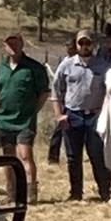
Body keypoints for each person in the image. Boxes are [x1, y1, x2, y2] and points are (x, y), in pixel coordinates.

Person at [52, 29, 111, 202]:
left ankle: (105, 192)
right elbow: (56, 91)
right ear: (76, 44)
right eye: (81, 43)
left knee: (97, 155)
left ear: (94, 45)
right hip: (72, 116)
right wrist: (59, 115)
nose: (84, 46)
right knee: (73, 157)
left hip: (95, 116)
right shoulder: (66, 65)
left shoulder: (104, 66)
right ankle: (76, 194)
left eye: (88, 43)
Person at [0, 35, 50, 205]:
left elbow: (44, 93)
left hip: (25, 120)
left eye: (16, 43)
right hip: (4, 119)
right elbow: (0, 91)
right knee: (8, 158)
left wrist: (33, 111)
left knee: (25, 156)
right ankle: (11, 193)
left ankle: (31, 194)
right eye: (9, 44)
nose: (13, 47)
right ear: (4, 46)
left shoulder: (34, 68)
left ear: (22, 45)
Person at [47, 36, 78, 164]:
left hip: (75, 102)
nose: (68, 49)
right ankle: (53, 156)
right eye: (67, 46)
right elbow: (57, 84)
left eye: (70, 46)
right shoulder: (65, 62)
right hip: (64, 101)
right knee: (59, 129)